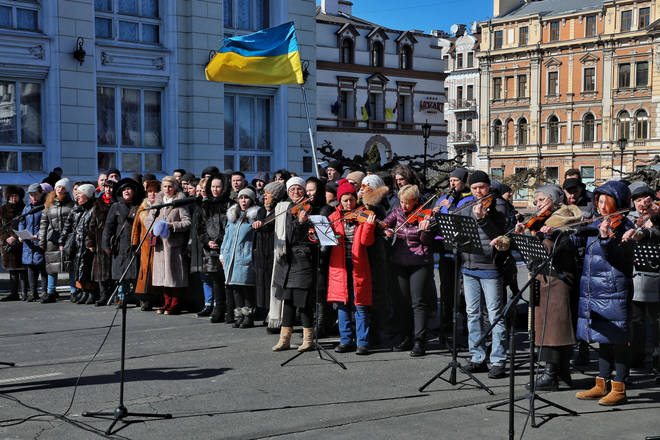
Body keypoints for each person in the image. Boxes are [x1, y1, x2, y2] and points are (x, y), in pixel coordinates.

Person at [493, 185, 582, 390]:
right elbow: (532, 250)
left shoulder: (564, 217)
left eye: (541, 200)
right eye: (536, 201)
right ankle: (561, 374)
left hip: (558, 279)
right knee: (545, 326)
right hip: (542, 277)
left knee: (555, 328)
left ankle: (552, 374)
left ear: (553, 200)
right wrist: (516, 237)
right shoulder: (540, 221)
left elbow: (568, 244)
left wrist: (550, 235)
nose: (537, 205)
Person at [574, 180, 634, 406]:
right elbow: (581, 249)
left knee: (618, 340)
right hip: (594, 289)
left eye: (604, 201)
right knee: (603, 339)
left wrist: (607, 239)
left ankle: (619, 387)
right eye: (597, 201)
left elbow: (619, 259)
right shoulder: (598, 224)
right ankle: (601, 383)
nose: (599, 206)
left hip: (614, 290)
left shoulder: (625, 228)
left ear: (616, 202)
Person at [457, 171, 509, 378]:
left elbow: (500, 235)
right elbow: (455, 224)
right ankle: (477, 356)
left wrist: (483, 219)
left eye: (482, 187)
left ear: (488, 187)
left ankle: (498, 359)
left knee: (495, 314)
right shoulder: (467, 205)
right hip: (469, 266)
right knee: (472, 314)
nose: (478, 192)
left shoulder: (498, 206)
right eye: (474, 188)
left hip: (490, 267)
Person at [383, 184, 434, 357]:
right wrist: (386, 230)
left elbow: (428, 242)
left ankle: (420, 340)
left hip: (419, 261)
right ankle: (405, 337)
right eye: (402, 202)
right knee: (402, 301)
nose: (403, 206)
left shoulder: (425, 214)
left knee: (418, 302)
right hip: (399, 261)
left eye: (407, 203)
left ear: (416, 201)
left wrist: (425, 231)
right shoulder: (397, 212)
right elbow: (385, 223)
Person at [327, 180, 376, 355]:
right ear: (340, 201)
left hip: (358, 265)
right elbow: (328, 241)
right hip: (339, 266)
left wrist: (369, 225)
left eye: (352, 200)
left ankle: (362, 342)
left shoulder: (363, 216)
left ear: (356, 200)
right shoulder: (333, 218)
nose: (349, 204)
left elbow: (366, 241)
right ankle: (346, 340)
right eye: (345, 200)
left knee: (360, 304)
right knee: (342, 303)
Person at [271, 177, 316, 352]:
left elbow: (305, 236)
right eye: (292, 190)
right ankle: (285, 339)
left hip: (302, 258)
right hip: (287, 259)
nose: (295, 193)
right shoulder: (285, 208)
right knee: (287, 299)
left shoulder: (311, 209)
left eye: (299, 189)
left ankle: (308, 339)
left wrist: (302, 223)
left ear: (304, 191)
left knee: (302, 300)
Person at [624, 182, 659, 371]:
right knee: (635, 322)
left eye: (645, 201)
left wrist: (653, 220)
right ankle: (636, 359)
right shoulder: (630, 219)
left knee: (656, 323)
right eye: (637, 201)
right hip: (636, 278)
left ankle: (657, 362)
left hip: (656, 278)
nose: (641, 205)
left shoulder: (656, 218)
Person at [433, 168, 474, 329]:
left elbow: (467, 220)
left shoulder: (469, 199)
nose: (452, 183)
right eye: (450, 180)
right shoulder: (443, 197)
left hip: (463, 247)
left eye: (455, 181)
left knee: (463, 286)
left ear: (463, 182)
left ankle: (464, 319)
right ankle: (446, 318)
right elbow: (435, 221)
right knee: (446, 283)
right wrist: (434, 214)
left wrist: (450, 208)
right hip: (445, 245)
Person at [146, 176, 192, 315]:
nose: (167, 189)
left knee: (174, 275)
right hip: (160, 245)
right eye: (165, 186)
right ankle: (166, 302)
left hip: (174, 245)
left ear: (175, 187)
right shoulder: (158, 202)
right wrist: (155, 228)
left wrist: (172, 226)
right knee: (162, 276)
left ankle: (175, 303)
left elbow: (187, 222)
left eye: (170, 186)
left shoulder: (180, 202)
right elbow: (148, 220)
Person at [221, 188, 263, 328]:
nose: (243, 201)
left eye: (246, 198)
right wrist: (222, 253)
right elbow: (226, 236)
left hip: (244, 256)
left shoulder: (254, 216)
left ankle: (248, 316)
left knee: (246, 287)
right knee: (235, 287)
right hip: (230, 257)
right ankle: (238, 315)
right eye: (241, 198)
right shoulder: (233, 216)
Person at [103, 178, 145, 308]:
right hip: (120, 246)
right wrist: (106, 245)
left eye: (129, 189)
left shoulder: (140, 206)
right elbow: (108, 227)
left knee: (137, 273)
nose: (127, 191)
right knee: (121, 274)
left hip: (136, 244)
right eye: (124, 189)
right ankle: (121, 298)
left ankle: (139, 297)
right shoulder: (116, 206)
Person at [252, 181, 287, 332]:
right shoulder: (261, 211)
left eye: (268, 193)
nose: (265, 196)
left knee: (273, 283)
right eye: (264, 193)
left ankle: (274, 316)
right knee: (263, 284)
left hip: (274, 251)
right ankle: (265, 311)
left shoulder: (280, 210)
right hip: (261, 252)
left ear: (276, 196)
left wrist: (263, 225)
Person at [38, 178, 74, 303]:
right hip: (51, 240)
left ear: (67, 190)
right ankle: (50, 292)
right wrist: (41, 241)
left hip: (68, 238)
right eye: (58, 187)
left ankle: (74, 291)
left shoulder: (71, 204)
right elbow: (43, 224)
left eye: (63, 187)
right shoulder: (48, 204)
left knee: (71, 265)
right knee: (51, 267)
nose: (60, 189)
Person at [200, 175, 230, 322]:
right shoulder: (206, 205)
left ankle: (228, 309)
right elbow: (201, 227)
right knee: (216, 279)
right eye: (212, 187)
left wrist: (219, 240)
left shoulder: (230, 204)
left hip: (225, 246)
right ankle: (218, 309)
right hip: (210, 248)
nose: (215, 190)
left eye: (218, 186)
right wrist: (207, 241)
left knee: (228, 279)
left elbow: (229, 226)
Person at [60, 184, 96, 303]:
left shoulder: (93, 208)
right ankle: (84, 291)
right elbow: (71, 225)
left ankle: (91, 292)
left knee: (88, 268)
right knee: (80, 268)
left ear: (87, 195)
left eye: (80, 193)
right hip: (78, 244)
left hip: (88, 245)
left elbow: (92, 228)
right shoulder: (79, 208)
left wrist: (90, 242)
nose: (77, 196)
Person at [131, 179, 160, 311]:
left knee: (157, 272)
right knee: (145, 272)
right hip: (145, 246)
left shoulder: (162, 206)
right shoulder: (142, 207)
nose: (152, 194)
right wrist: (134, 243)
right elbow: (135, 228)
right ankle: (145, 299)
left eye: (155, 191)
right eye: (150, 191)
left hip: (159, 246)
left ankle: (158, 298)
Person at [88, 178, 116, 305]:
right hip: (99, 239)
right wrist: (90, 242)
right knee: (100, 270)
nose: (108, 190)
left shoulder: (116, 202)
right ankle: (103, 295)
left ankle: (114, 295)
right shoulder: (98, 202)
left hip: (113, 239)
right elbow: (92, 224)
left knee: (112, 269)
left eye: (111, 187)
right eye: (106, 187)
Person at [19, 183, 47, 302]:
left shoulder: (45, 206)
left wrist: (39, 236)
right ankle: (33, 292)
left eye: (35, 194)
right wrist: (21, 234)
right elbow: (21, 221)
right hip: (29, 243)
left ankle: (45, 292)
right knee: (30, 268)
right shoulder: (27, 208)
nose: (33, 197)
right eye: (31, 195)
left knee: (43, 268)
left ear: (41, 193)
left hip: (40, 241)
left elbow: (47, 224)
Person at [0, 185, 28, 301]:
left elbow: (26, 225)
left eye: (15, 196)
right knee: (12, 270)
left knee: (22, 269)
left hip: (21, 242)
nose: (13, 198)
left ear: (20, 196)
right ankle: (13, 293)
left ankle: (25, 293)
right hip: (7, 245)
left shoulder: (24, 208)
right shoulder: (2, 209)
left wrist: (15, 237)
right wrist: (5, 238)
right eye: (11, 196)